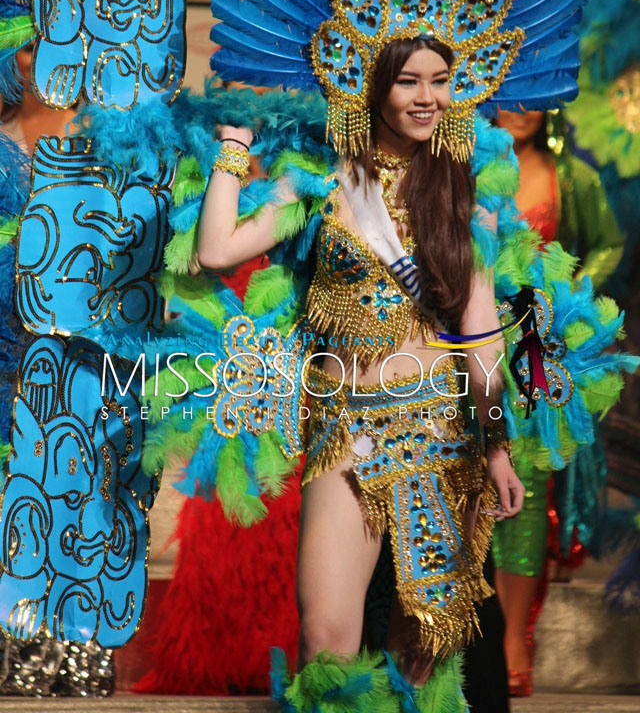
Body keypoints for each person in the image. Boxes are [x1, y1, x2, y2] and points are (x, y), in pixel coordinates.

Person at [197, 35, 525, 698]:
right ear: (375, 87)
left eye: (440, 81)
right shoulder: (322, 178)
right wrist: (233, 150)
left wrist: (496, 449)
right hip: (344, 429)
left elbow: (481, 334)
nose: (427, 97)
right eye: (409, 81)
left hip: (438, 434)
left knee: (424, 647)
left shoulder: (468, 190)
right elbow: (215, 252)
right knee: (326, 636)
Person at [492, 108, 623, 696]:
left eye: (533, 95)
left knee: (525, 497)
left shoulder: (574, 178)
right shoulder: (464, 170)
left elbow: (610, 244)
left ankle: (513, 635)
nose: (520, 109)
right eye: (509, 93)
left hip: (539, 353)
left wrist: (570, 291)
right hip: (462, 349)